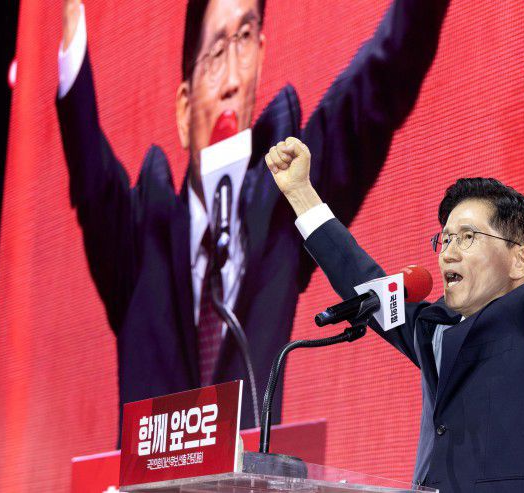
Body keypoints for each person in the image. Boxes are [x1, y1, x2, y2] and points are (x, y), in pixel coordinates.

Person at [56, 0, 450, 431]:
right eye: (214, 55)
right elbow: (90, 172)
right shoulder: (138, 243)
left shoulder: (283, 202)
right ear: (184, 110)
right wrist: (72, 22)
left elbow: (380, 80)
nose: (231, 81)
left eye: (244, 39)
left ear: (260, 60)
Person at [265, 68, 524, 492]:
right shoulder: (433, 328)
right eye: (445, 238)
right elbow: (361, 280)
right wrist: (300, 192)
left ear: (521, 260)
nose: (448, 252)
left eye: (468, 237)